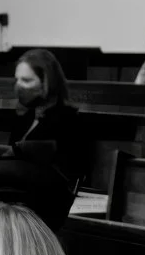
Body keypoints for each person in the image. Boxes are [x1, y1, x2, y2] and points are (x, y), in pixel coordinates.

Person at [11, 47, 95, 185]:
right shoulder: (25, 116)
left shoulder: (70, 121)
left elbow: (71, 175)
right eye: (17, 80)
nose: (18, 86)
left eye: (26, 80)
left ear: (47, 82)